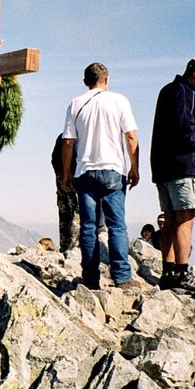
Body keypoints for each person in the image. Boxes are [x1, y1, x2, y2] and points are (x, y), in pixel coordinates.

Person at [60, 63, 142, 290]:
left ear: (85, 81)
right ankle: (122, 278)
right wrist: (134, 166)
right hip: (113, 169)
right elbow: (131, 137)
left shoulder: (76, 104)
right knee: (116, 226)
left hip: (85, 171)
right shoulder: (119, 100)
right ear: (107, 80)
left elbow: (68, 142)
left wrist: (67, 172)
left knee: (88, 227)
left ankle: (90, 279)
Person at [150, 56, 195, 291]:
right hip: (182, 167)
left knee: (170, 219)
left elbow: (176, 125)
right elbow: (184, 134)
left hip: (163, 166)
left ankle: (168, 272)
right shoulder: (184, 93)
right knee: (185, 219)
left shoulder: (170, 90)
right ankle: (181, 273)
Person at [51, 134, 80, 252]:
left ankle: (65, 247)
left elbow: (54, 159)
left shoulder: (63, 136)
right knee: (76, 214)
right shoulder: (81, 137)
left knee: (65, 215)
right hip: (75, 180)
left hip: (63, 180)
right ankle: (72, 248)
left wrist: (60, 173)